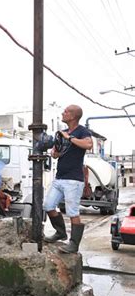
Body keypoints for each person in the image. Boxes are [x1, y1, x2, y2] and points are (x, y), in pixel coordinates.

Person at [43, 105, 93, 253]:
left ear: (73, 116)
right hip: (59, 177)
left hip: (73, 179)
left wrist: (69, 138)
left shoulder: (82, 131)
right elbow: (55, 153)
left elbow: (88, 144)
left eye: (65, 111)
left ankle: (73, 244)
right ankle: (60, 232)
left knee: (72, 212)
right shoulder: (62, 132)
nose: (62, 113)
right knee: (48, 205)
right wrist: (55, 151)